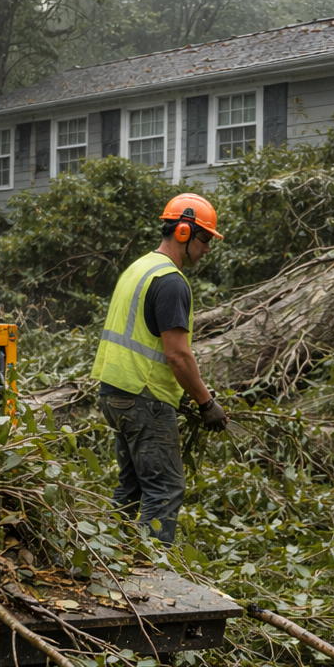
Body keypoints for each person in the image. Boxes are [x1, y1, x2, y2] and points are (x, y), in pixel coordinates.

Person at [91, 193, 230, 543]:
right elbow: (178, 355)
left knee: (134, 485)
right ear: (183, 232)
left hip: (116, 394)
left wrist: (178, 395)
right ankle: (151, 580)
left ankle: (104, 554)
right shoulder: (170, 281)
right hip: (143, 398)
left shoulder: (138, 268)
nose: (207, 250)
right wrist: (205, 402)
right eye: (204, 240)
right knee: (165, 489)